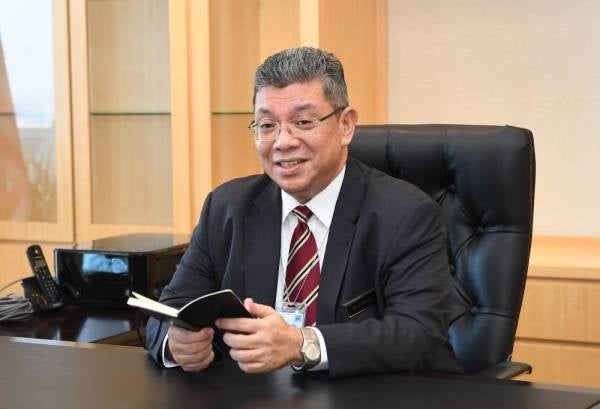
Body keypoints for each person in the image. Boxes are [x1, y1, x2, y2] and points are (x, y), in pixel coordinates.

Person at [146, 47, 462, 378]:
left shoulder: (405, 213)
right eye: (267, 125)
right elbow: (167, 311)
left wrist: (302, 344)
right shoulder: (227, 208)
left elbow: (419, 333)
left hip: (367, 395)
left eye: (303, 122)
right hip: (252, 396)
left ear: (346, 125)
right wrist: (176, 342)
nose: (282, 142)